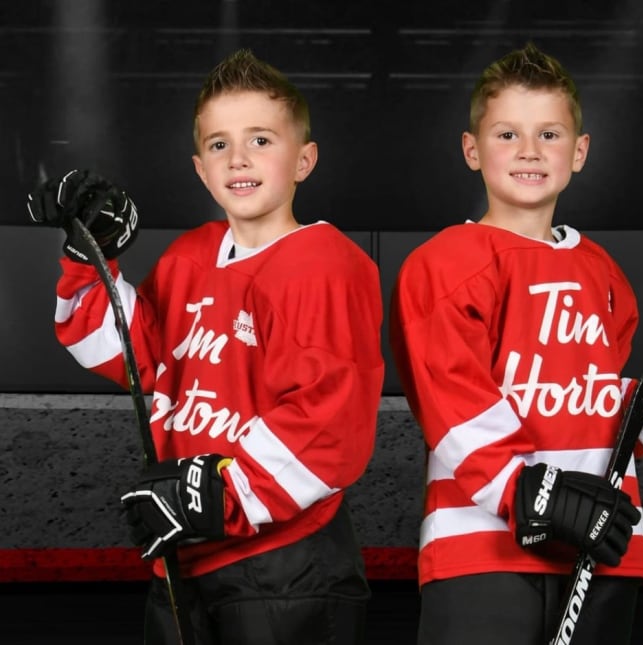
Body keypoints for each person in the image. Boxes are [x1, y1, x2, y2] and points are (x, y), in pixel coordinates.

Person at [388, 42, 643, 645]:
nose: (530, 151)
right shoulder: (443, 264)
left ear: (580, 151)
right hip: (483, 554)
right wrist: (531, 494)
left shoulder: (604, 274)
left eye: (550, 134)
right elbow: (452, 405)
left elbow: (599, 423)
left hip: (605, 548)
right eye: (507, 134)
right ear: (471, 149)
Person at [27, 49, 385, 644]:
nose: (239, 159)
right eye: (219, 145)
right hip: (185, 559)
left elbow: (330, 423)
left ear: (305, 159)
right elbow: (127, 356)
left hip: (286, 566)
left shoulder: (327, 264)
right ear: (200, 167)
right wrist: (88, 257)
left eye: (262, 141)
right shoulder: (191, 256)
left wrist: (218, 495)